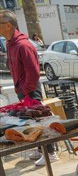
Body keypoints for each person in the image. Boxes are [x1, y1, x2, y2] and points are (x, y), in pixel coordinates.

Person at [0, 10, 58, 165]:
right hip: (22, 90)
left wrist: (25, 90)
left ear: (8, 25)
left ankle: (50, 153)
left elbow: (33, 72)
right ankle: (41, 149)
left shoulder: (23, 45)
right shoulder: (10, 43)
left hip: (30, 90)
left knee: (39, 120)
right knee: (30, 122)